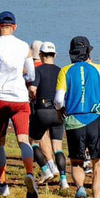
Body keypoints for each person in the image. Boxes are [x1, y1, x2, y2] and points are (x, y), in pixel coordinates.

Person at [55, 36, 100, 198]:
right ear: (89, 52)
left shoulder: (65, 71)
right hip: (94, 120)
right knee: (98, 164)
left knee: (76, 161)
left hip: (74, 120)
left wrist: (62, 109)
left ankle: (81, 189)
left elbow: (59, 100)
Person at [0, 11, 39, 198]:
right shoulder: (25, 46)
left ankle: (2, 183)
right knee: (23, 139)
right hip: (20, 98)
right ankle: (30, 173)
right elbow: (31, 75)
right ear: (15, 27)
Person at [30, 42, 69, 190]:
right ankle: (64, 180)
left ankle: (46, 170)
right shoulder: (61, 71)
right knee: (58, 148)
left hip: (42, 111)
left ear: (40, 55)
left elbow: (33, 88)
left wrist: (32, 95)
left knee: (33, 142)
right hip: (58, 111)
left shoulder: (38, 70)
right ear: (55, 55)